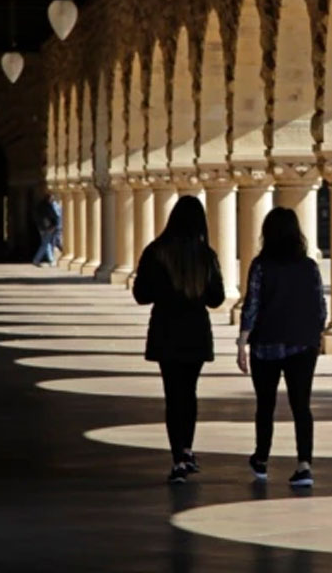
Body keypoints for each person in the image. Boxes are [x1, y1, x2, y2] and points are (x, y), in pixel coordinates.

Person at [132, 196, 225, 484]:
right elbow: (216, 298)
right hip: (195, 331)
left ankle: (178, 458)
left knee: (173, 395)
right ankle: (187, 449)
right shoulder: (205, 255)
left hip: (166, 330)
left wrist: (165, 291)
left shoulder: (156, 251)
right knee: (190, 392)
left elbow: (141, 294)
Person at [237, 207, 326, 488]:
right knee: (302, 406)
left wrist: (242, 342)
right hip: (302, 344)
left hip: (266, 343)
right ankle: (304, 465)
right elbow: (320, 308)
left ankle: (261, 459)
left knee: (266, 405)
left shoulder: (261, 265)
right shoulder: (309, 266)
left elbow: (252, 304)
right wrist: (314, 336)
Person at [32, 192, 60, 266]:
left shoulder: (41, 206)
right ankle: (37, 259)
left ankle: (49, 259)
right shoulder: (47, 206)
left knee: (47, 243)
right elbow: (53, 216)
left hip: (43, 228)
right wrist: (53, 226)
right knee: (45, 244)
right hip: (48, 228)